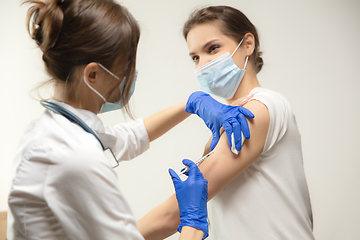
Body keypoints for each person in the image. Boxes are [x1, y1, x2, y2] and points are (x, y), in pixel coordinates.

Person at [7, 1, 255, 239]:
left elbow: (128, 137)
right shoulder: (75, 156)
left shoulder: (56, 130)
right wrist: (193, 222)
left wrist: (191, 105)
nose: (132, 73)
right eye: (127, 63)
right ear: (93, 74)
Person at [137, 5, 315, 239]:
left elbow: (174, 214)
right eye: (195, 57)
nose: (202, 64)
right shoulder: (230, 119)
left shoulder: (261, 109)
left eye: (213, 48)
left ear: (247, 44)